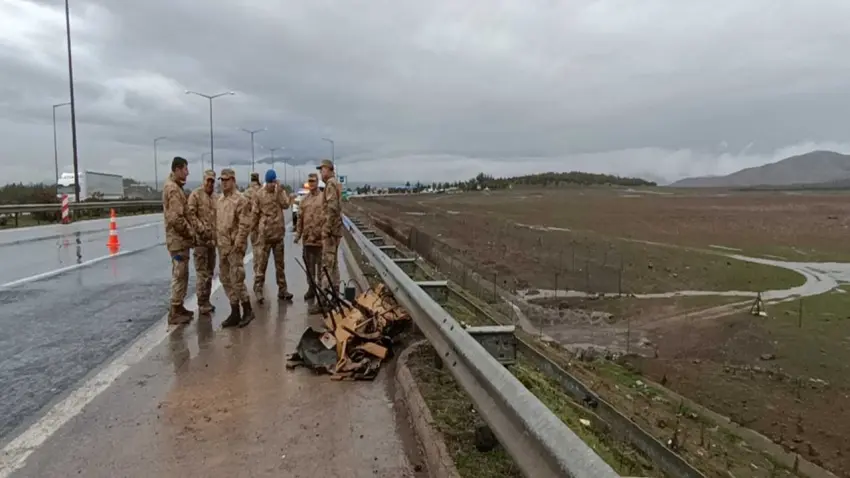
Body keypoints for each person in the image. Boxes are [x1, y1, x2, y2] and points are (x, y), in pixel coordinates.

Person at [216, 168, 254, 328]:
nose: (224, 183)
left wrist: (238, 245)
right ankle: (234, 311)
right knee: (225, 279)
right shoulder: (219, 200)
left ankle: (247, 309)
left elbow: (245, 225)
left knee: (237, 279)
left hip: (234, 247)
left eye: (227, 180)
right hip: (222, 247)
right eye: (222, 180)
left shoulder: (240, 200)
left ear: (233, 181)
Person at [250, 169, 294, 303]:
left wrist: (280, 191)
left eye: (273, 182)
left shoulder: (279, 192)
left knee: (280, 266)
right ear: (266, 182)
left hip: (278, 235)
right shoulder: (259, 195)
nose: (272, 185)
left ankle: (282, 289)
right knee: (261, 265)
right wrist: (253, 232)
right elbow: (255, 215)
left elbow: (286, 205)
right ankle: (258, 289)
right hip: (265, 236)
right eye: (270, 182)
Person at [162, 156, 195, 325]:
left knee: (183, 274)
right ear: (177, 170)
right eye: (185, 169)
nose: (187, 172)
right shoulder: (173, 189)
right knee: (179, 274)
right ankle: (174, 311)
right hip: (177, 240)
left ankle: (179, 306)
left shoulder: (176, 187)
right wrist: (190, 233)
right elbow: (176, 219)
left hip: (180, 241)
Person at [309, 159, 342, 314]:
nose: (321, 173)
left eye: (322, 170)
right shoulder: (334, 184)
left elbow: (332, 208)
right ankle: (335, 297)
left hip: (330, 233)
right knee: (333, 266)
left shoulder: (330, 184)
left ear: (329, 169)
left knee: (327, 267)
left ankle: (323, 300)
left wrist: (326, 229)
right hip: (335, 232)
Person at [187, 169, 217, 315]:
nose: (210, 184)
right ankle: (201, 302)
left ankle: (207, 300)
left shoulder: (215, 198)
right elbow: (191, 215)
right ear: (204, 180)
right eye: (208, 181)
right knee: (202, 274)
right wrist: (201, 230)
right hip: (200, 242)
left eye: (212, 181)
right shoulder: (196, 195)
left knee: (210, 273)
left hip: (212, 242)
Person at [294, 173, 324, 300]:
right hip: (308, 240)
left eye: (313, 181)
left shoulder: (323, 198)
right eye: (310, 181)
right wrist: (298, 235)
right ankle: (311, 289)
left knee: (322, 270)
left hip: (320, 240)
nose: (311, 183)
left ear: (317, 182)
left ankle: (322, 291)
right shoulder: (304, 200)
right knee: (309, 268)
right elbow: (300, 219)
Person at [243, 172, 262, 275]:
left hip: (253, 224)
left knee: (255, 249)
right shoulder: (262, 191)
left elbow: (243, 209)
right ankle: (261, 272)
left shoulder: (247, 193)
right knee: (262, 250)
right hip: (263, 224)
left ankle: (257, 273)